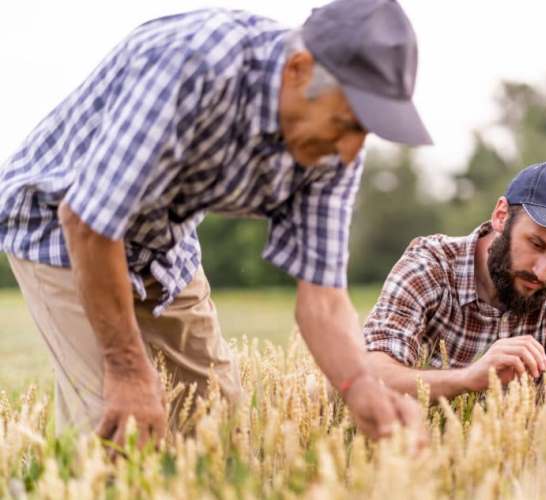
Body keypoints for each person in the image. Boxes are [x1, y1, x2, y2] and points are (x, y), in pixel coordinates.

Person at [0, 0, 431, 446]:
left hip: (163, 241)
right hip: (60, 224)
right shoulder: (193, 66)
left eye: (363, 132)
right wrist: (127, 368)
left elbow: (322, 298)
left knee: (216, 423)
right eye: (345, 124)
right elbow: (89, 222)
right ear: (298, 71)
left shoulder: (334, 145)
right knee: (115, 430)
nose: (349, 150)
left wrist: (360, 386)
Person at [363, 162, 546, 406]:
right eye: (536, 244)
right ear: (501, 216)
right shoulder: (429, 267)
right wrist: (468, 378)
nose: (543, 273)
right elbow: (369, 377)